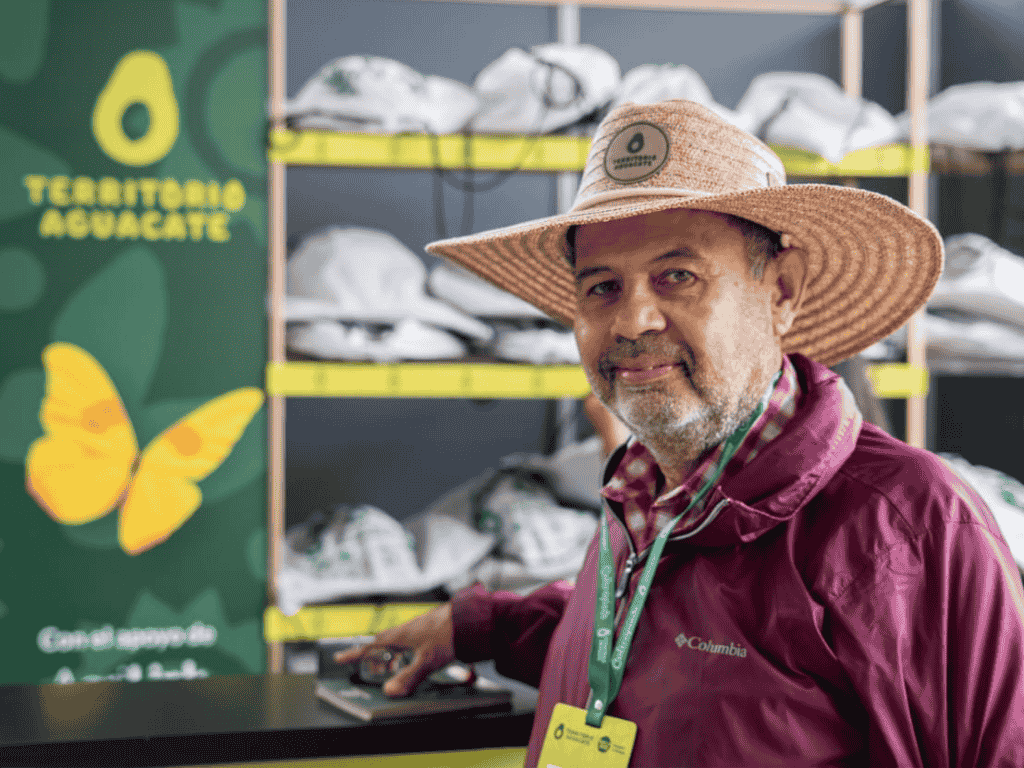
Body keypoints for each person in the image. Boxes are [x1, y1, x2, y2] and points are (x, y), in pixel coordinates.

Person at [335, 100, 1024, 766]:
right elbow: (657, 636)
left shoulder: (911, 530)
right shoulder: (650, 490)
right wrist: (481, 626)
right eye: (602, 287)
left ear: (781, 291)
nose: (634, 321)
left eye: (678, 276)